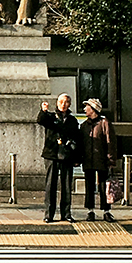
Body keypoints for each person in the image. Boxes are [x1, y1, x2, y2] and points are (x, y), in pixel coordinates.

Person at [38, 92, 81, 223]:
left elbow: (77, 138)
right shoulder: (50, 117)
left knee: (67, 185)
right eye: (61, 102)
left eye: (66, 102)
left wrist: (77, 158)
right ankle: (49, 214)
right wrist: (43, 111)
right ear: (57, 103)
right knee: (51, 185)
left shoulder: (72, 120)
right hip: (52, 154)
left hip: (67, 155)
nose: (63, 104)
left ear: (69, 104)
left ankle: (66, 213)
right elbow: (41, 120)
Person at [80, 97, 116, 221]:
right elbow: (81, 143)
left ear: (93, 109)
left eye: (87, 107)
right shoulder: (84, 125)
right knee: (89, 186)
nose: (85, 109)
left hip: (102, 160)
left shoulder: (104, 123)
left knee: (103, 186)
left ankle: (106, 211)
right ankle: (90, 210)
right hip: (88, 159)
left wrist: (111, 159)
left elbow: (110, 142)